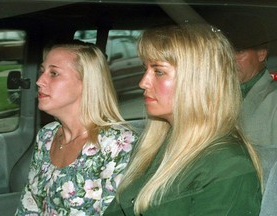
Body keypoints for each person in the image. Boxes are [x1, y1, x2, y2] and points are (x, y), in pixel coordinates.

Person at [103, 24, 262, 216]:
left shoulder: (229, 166)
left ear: (198, 81)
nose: (142, 82)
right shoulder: (153, 145)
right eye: (145, 69)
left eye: (158, 71)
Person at [15, 40, 137, 215]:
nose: (40, 81)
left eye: (54, 73)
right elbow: (30, 204)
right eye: (42, 71)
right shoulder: (47, 136)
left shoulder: (118, 143)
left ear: (86, 83)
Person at [223, 15, 277, 185]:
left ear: (261, 54)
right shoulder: (218, 97)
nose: (230, 59)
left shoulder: (273, 99)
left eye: (238, 51)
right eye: (227, 52)